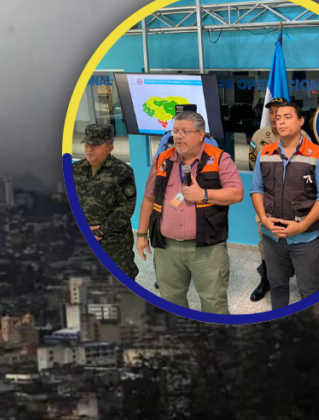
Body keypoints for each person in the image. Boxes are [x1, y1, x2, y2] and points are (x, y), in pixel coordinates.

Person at [136, 111, 244, 313]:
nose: (179, 136)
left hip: (207, 249)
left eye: (185, 131)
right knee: (171, 302)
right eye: (175, 131)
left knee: (214, 304)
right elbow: (149, 198)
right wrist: (142, 234)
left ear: (201, 134)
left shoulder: (220, 158)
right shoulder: (162, 160)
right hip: (166, 248)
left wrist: (203, 194)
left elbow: (237, 194)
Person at [250, 101, 319, 309]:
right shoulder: (265, 152)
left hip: (305, 238)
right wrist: (264, 219)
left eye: (287, 117)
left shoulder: (317, 154)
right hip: (272, 237)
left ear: (301, 121)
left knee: (308, 290)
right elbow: (257, 189)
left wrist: (302, 226)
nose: (281, 121)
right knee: (277, 286)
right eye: (278, 118)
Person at [247, 97, 312, 302]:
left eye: (280, 112)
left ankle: (298, 281)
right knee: (266, 243)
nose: (275, 116)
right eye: (272, 112)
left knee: (297, 244)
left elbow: (311, 170)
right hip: (267, 204)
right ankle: (267, 279)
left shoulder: (304, 137)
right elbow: (252, 164)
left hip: (297, 205)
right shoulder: (260, 136)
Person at [73, 123, 139, 280]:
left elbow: (127, 207)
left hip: (112, 244)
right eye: (87, 144)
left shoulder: (122, 171)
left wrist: (98, 231)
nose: (89, 149)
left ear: (110, 148)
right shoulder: (75, 169)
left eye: (95, 145)